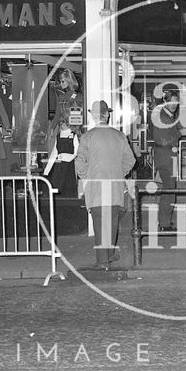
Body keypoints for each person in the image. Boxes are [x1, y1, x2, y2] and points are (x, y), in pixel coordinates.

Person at [75, 100, 135, 269]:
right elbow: (131, 160)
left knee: (100, 223)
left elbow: (79, 162)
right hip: (115, 187)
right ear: (107, 115)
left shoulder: (87, 137)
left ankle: (102, 262)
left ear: (94, 117)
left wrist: (88, 176)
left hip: (97, 187)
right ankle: (109, 254)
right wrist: (118, 173)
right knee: (112, 223)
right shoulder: (119, 135)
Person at [151, 91, 186, 231]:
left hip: (164, 156)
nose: (174, 105)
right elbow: (163, 139)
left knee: (168, 189)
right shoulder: (163, 116)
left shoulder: (165, 115)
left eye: (176, 102)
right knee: (169, 191)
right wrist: (180, 133)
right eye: (172, 102)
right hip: (166, 157)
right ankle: (164, 224)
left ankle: (163, 221)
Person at [44, 121, 79, 198]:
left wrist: (68, 158)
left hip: (69, 167)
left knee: (68, 187)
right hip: (59, 167)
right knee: (58, 186)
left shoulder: (73, 136)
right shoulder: (58, 136)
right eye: (60, 123)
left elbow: (77, 152)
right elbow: (54, 153)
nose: (61, 125)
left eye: (63, 123)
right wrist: (47, 170)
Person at [51, 69, 84, 143]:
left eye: (63, 81)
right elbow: (57, 114)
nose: (61, 84)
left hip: (75, 132)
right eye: (60, 81)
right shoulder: (61, 97)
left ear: (69, 81)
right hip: (64, 132)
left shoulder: (79, 97)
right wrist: (52, 128)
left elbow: (79, 117)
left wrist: (70, 127)